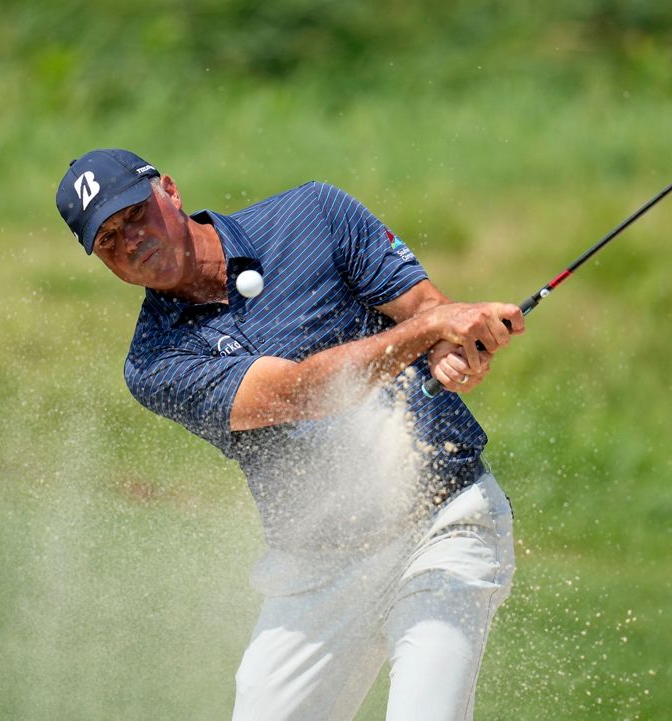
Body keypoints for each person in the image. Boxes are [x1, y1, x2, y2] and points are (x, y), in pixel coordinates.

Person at [55, 148, 525, 721]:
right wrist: (429, 331)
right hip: (318, 568)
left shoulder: (313, 214)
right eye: (107, 240)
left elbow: (425, 308)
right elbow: (297, 394)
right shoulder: (153, 363)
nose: (129, 240)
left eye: (134, 215)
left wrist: (456, 348)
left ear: (169, 191)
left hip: (445, 522)